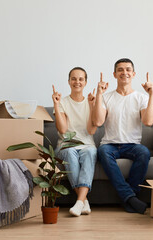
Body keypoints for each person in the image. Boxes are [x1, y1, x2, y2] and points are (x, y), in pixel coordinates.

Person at [92, 58, 153, 214]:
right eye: (120, 70)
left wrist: (152, 94)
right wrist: (99, 94)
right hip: (110, 145)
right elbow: (98, 121)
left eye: (128, 69)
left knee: (144, 152)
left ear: (133, 74)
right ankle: (131, 198)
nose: (124, 72)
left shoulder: (141, 98)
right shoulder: (107, 97)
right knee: (102, 152)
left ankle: (129, 197)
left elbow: (148, 121)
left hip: (132, 145)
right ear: (114, 74)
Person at [52, 67, 97, 217]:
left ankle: (79, 202)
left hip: (87, 145)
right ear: (69, 81)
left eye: (80, 79)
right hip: (66, 146)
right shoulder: (62, 102)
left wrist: (92, 106)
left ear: (85, 82)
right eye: (73, 78)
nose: (77, 82)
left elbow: (91, 131)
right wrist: (56, 105)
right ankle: (83, 201)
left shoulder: (91, 102)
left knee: (91, 151)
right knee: (70, 152)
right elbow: (63, 130)